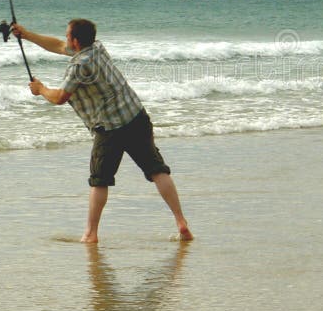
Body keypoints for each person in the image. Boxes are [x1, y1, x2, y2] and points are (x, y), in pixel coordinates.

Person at [11, 19, 193, 244]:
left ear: (76, 41)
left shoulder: (78, 67)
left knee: (99, 181)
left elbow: (59, 98)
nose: (65, 39)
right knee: (157, 170)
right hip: (136, 116)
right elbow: (58, 46)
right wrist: (26, 34)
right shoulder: (97, 48)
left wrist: (40, 89)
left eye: (68, 36)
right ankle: (181, 221)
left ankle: (90, 234)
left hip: (110, 128)